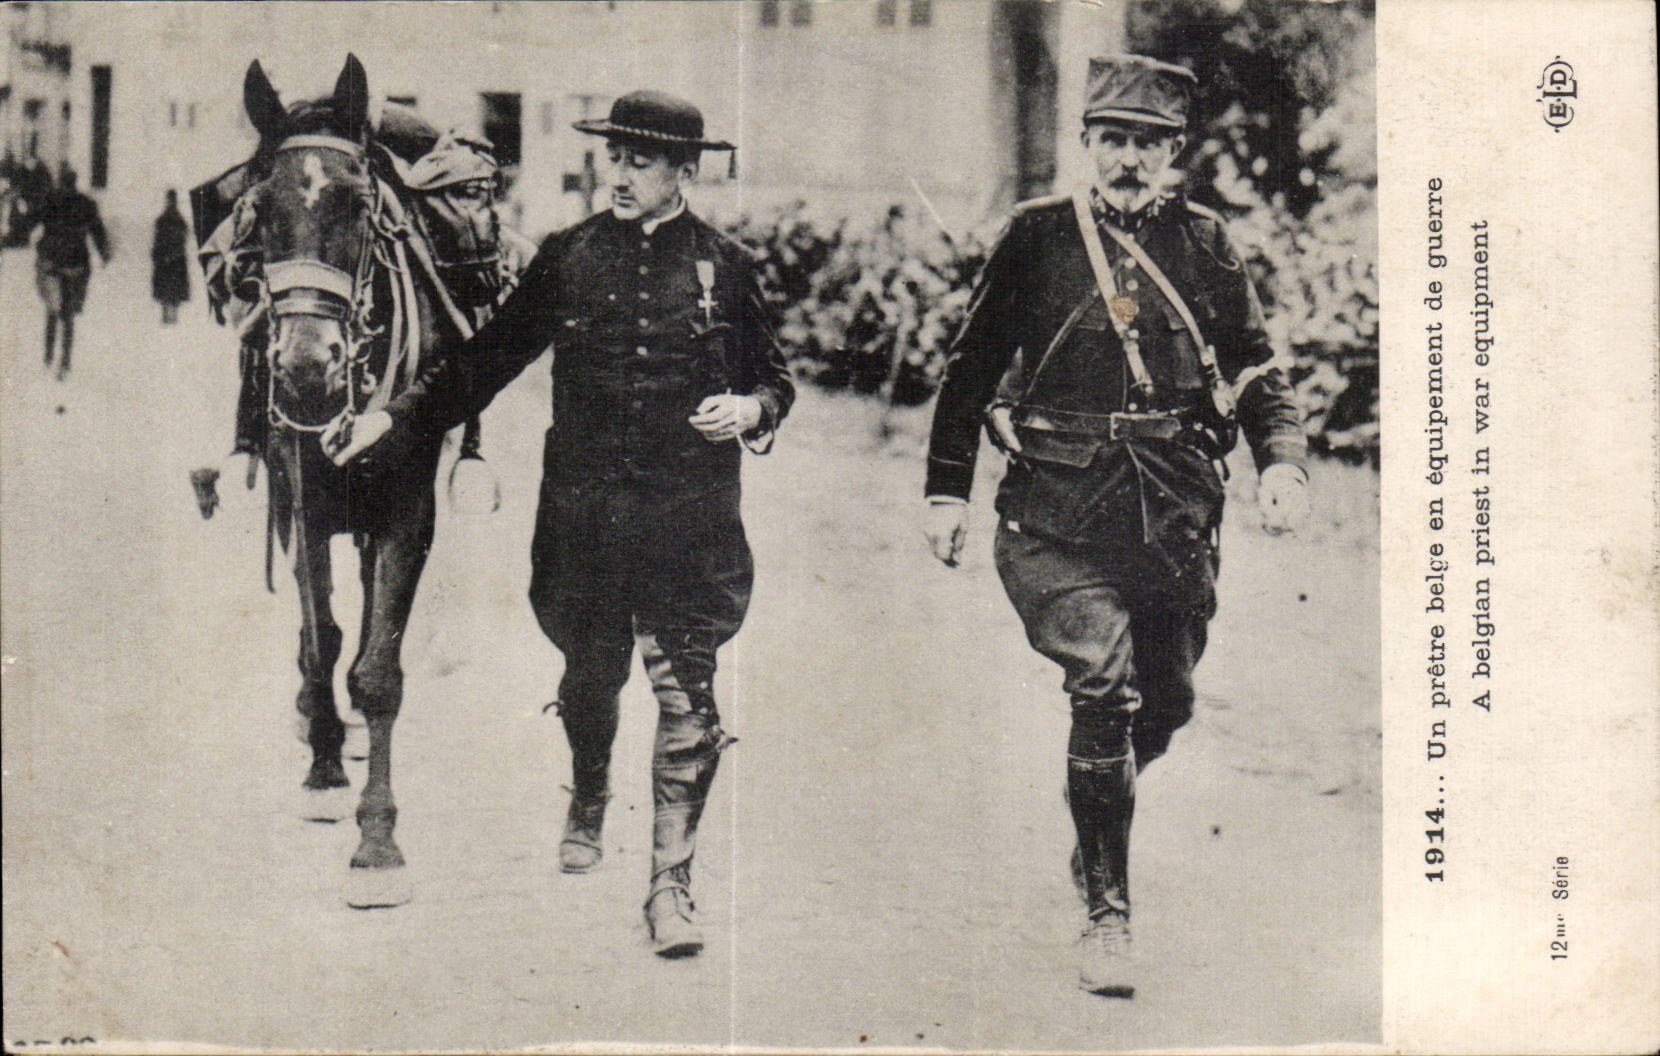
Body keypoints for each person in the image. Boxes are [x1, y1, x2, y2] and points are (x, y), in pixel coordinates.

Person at [327, 90, 795, 958]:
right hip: (584, 521)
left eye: (640, 162)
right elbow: (484, 362)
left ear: (684, 174)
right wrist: (395, 417)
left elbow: (775, 376)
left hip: (689, 519)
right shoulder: (569, 257)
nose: (618, 174)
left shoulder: (725, 266)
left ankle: (670, 888)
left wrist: (753, 406)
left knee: (687, 699)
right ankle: (588, 790)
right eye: (613, 156)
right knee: (590, 680)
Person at [922, 54, 1310, 997]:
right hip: (1054, 509)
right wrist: (946, 490)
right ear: (1087, 145)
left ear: (1175, 152)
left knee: (1165, 701)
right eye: (1113, 140)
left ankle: (1098, 814)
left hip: (1171, 509)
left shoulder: (1206, 242)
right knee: (1103, 684)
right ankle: (1107, 914)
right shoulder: (1038, 235)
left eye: (1148, 143)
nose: (1129, 159)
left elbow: (1255, 365)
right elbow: (972, 365)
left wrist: (1283, 460)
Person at [33, 168, 110, 380]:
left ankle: (48, 357)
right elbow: (98, 231)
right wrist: (104, 254)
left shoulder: (50, 201)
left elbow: (34, 221)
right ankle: (65, 362)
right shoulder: (86, 204)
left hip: (52, 264)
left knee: (51, 310)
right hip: (76, 266)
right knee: (68, 315)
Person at [151, 189, 192, 324]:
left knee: (171, 292)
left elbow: (182, 240)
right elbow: (157, 240)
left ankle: (171, 319)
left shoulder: (176, 221)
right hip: (168, 261)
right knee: (168, 292)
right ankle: (167, 318)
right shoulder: (165, 220)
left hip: (173, 261)